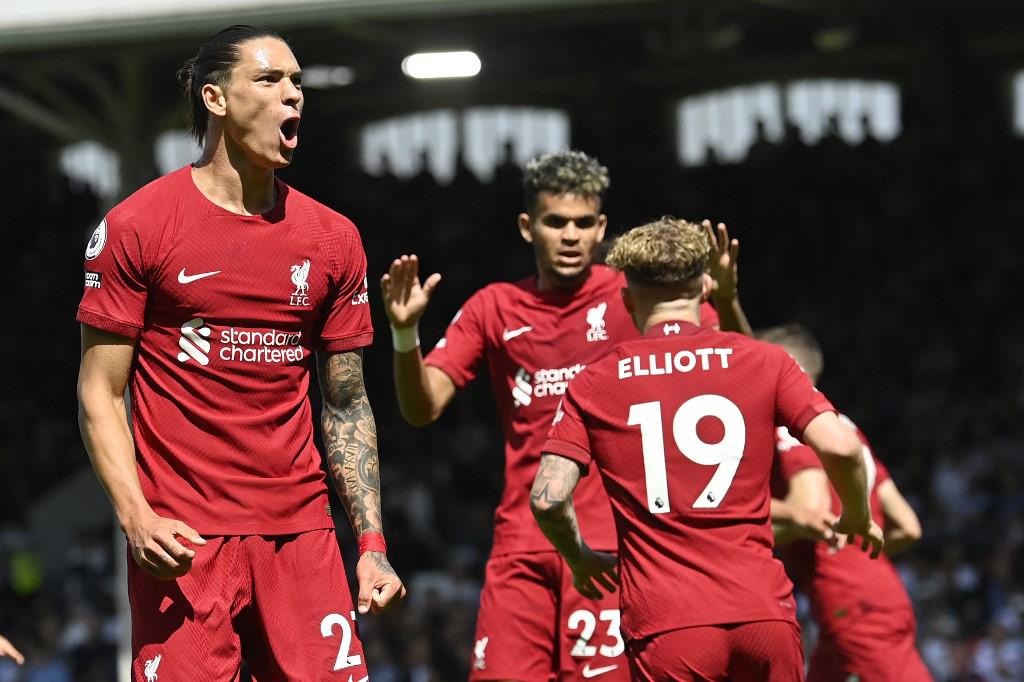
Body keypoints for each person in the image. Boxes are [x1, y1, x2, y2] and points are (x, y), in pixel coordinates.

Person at [76, 25, 404, 680]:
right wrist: (135, 516)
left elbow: (345, 404)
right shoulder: (138, 227)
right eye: (270, 79)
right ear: (216, 99)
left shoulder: (334, 239)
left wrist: (371, 543)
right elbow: (100, 392)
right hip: (185, 541)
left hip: (302, 537)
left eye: (297, 82)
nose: (293, 95)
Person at [380, 150, 748, 681]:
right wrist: (404, 334)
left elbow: (737, 364)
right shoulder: (493, 307)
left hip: (612, 547)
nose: (571, 236)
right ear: (528, 227)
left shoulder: (634, 296)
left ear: (600, 227)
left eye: (582, 223)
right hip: (521, 547)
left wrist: (728, 300)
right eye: (556, 222)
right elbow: (422, 408)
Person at [530, 217, 884, 682]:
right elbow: (842, 447)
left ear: (627, 299)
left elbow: (548, 499)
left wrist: (579, 558)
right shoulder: (766, 360)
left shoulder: (594, 382)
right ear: (704, 288)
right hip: (763, 614)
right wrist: (857, 514)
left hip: (667, 625)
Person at [764, 324, 931, 682]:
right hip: (875, 596)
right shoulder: (846, 429)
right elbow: (908, 526)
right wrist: (860, 557)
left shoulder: (793, 428)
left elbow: (811, 512)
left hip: (853, 605)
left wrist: (736, 540)